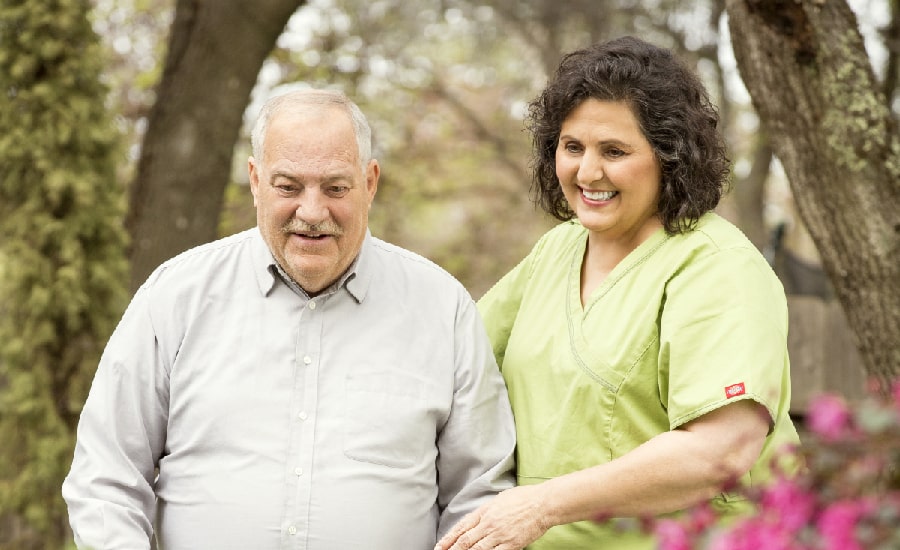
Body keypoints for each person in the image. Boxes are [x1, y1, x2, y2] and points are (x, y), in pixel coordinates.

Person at [62, 88, 516, 549]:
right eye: (288, 187)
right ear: (256, 180)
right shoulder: (175, 297)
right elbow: (106, 478)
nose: (312, 212)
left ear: (370, 182)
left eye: (335, 188)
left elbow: (478, 496)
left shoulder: (442, 309)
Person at [436, 36, 800, 550]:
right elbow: (455, 362)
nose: (587, 172)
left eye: (614, 151)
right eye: (572, 147)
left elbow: (720, 452)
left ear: (670, 156)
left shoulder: (718, 267)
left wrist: (540, 506)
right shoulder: (557, 250)